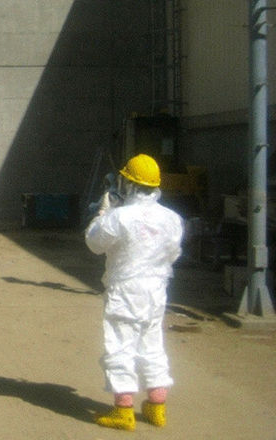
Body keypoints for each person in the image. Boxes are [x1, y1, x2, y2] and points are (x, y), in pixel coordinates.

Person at [85, 153, 183, 431]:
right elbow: (173, 254)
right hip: (156, 291)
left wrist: (102, 215)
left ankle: (124, 410)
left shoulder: (119, 217)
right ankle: (156, 407)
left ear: (128, 184)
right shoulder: (172, 219)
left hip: (125, 291)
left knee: (120, 346)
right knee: (152, 347)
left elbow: (94, 244)